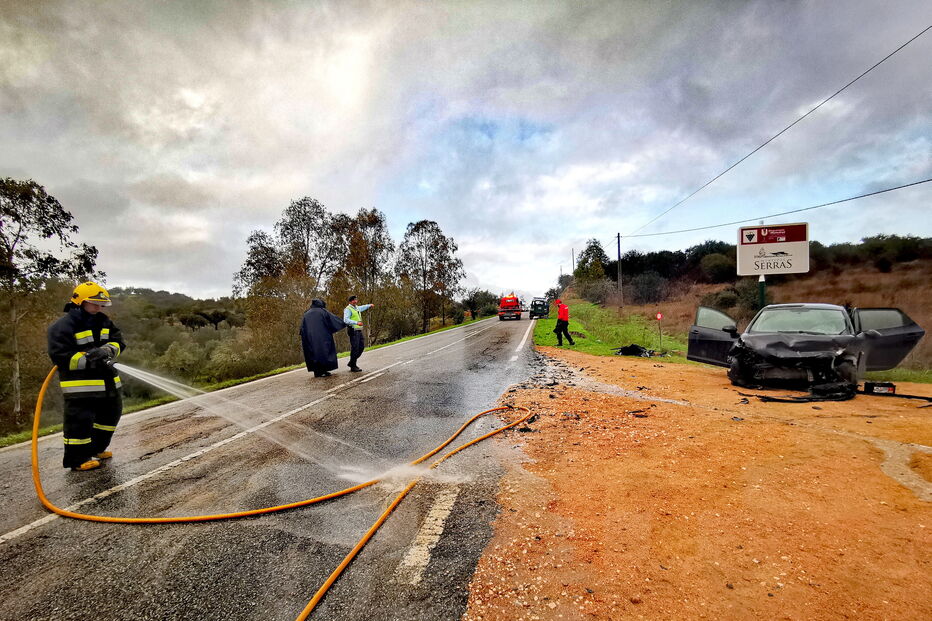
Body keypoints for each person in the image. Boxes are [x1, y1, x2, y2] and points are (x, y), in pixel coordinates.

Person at [47, 282, 126, 471]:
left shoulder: (104, 321)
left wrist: (107, 350)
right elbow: (60, 356)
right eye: (94, 303)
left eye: (101, 304)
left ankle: (96, 448)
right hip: (81, 388)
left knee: (110, 417)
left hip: (109, 384)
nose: (99, 307)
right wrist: (89, 359)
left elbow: (118, 341)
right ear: (80, 302)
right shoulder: (62, 326)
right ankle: (77, 459)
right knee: (79, 423)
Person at [300, 299, 350, 377]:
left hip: (309, 337)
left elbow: (302, 327)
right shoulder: (322, 311)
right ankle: (323, 370)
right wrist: (344, 323)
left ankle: (317, 371)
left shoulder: (306, 313)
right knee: (323, 352)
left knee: (312, 354)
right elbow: (333, 320)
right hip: (322, 336)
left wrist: (304, 336)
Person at [343, 295, 374, 372]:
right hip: (353, 330)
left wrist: (369, 305)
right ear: (350, 301)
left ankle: (351, 362)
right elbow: (346, 320)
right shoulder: (348, 309)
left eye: (356, 300)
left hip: (358, 330)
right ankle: (353, 366)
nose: (355, 301)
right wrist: (356, 322)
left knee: (361, 347)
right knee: (355, 348)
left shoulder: (356, 308)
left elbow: (362, 307)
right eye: (354, 300)